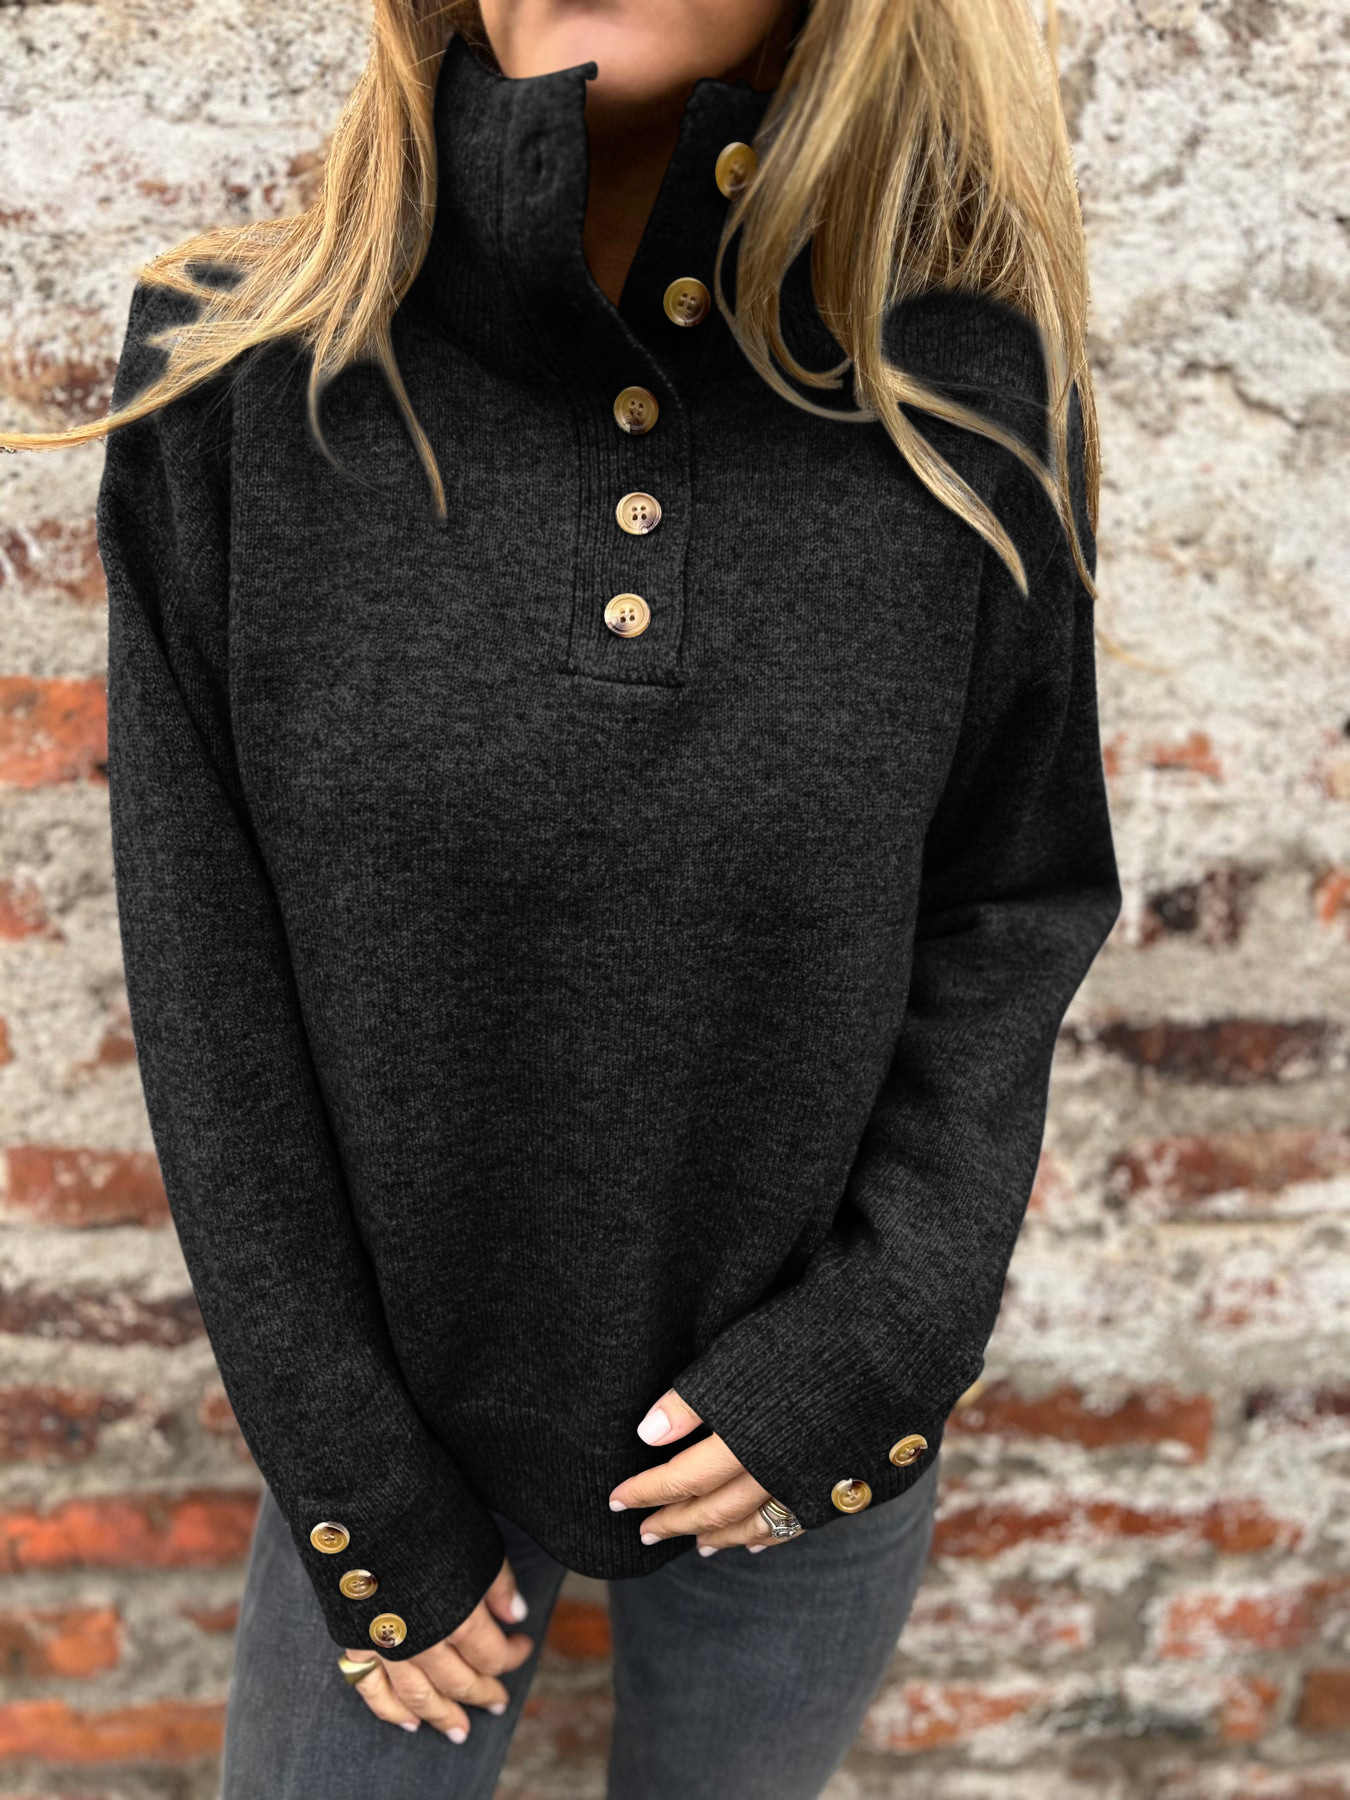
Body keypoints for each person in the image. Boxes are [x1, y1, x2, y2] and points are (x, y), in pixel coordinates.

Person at [2, 0, 1123, 1792]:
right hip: (399, 1435)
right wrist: (354, 1484)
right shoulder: (239, 373)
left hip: (804, 1417)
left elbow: (1013, 903)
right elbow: (208, 986)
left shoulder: (968, 402)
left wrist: (884, 1334)